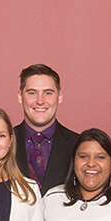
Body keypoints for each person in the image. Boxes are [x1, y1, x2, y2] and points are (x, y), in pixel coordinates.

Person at [13, 64, 79, 193]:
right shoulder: (3, 142)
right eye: (32, 93)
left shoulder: (78, 144)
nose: (40, 101)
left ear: (59, 96)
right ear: (20, 96)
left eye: (48, 93)